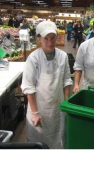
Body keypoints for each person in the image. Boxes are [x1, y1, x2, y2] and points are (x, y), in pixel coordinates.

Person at [20, 21, 72, 150]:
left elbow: (66, 81)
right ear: (39, 39)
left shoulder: (63, 56)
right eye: (46, 38)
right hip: (39, 109)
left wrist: (66, 104)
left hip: (58, 109)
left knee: (58, 141)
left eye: (53, 38)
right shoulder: (33, 59)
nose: (50, 42)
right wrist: (35, 112)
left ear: (57, 37)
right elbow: (29, 87)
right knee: (39, 143)